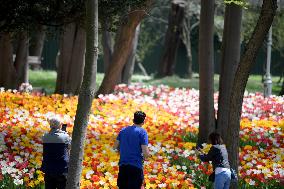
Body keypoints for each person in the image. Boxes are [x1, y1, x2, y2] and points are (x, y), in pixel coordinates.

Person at [114, 111, 151, 189]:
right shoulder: (142, 132)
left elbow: (115, 146)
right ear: (143, 122)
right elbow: (145, 152)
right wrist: (148, 155)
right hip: (135, 167)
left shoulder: (123, 130)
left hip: (123, 166)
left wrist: (124, 151)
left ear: (133, 120)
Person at [41, 117, 71, 189]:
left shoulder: (44, 136)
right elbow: (69, 147)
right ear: (60, 125)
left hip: (48, 168)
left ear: (50, 125)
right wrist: (64, 133)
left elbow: (52, 135)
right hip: (61, 168)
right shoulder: (65, 136)